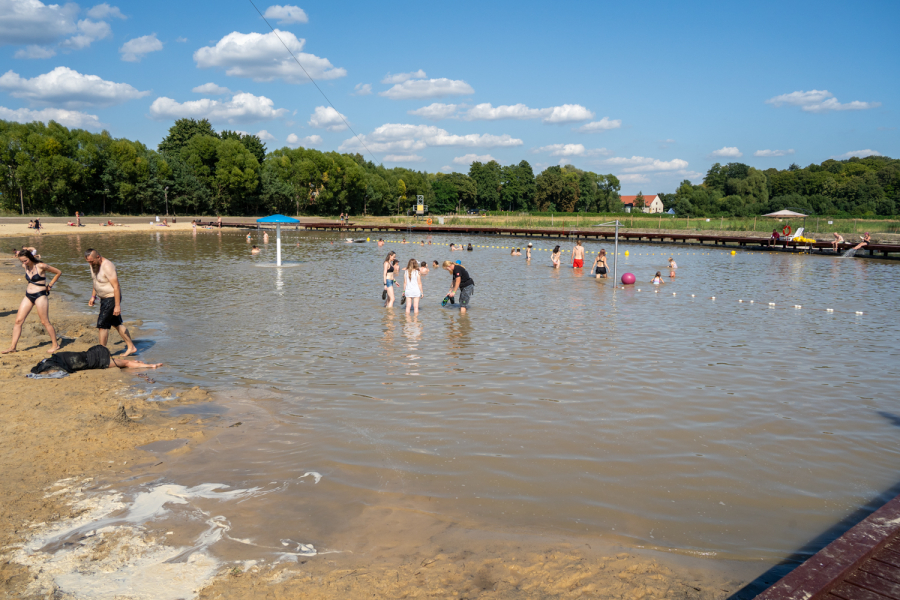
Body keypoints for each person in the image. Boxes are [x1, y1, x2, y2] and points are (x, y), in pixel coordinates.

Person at [2, 249, 62, 354]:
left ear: (30, 257)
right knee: (18, 321)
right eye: (21, 261)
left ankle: (55, 345)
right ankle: (13, 347)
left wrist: (50, 285)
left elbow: (58, 272)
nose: (23, 263)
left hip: (40, 296)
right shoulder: (25, 266)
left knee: (44, 322)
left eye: (25, 260)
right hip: (28, 296)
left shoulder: (41, 266)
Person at [85, 249, 138, 356]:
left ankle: (102, 353)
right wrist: (93, 296)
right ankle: (131, 347)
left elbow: (116, 286)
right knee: (116, 323)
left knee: (102, 325)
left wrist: (117, 306)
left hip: (112, 298)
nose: (90, 264)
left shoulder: (107, 266)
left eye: (92, 261)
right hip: (103, 299)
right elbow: (95, 281)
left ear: (98, 257)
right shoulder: (94, 265)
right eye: (88, 262)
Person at [31, 344, 161, 374]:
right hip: (91, 356)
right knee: (123, 363)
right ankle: (148, 365)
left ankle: (148, 365)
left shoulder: (58, 361)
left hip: (92, 360)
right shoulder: (58, 355)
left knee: (125, 363)